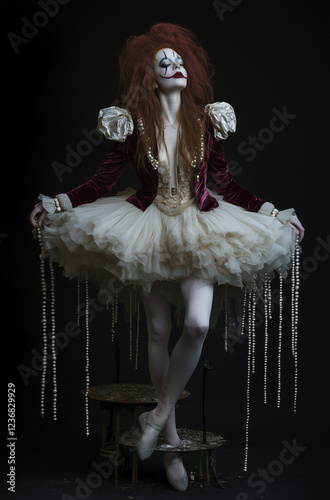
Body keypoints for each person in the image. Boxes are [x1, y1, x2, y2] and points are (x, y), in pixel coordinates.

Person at [28, 23, 304, 492]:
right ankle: (171, 441)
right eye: (164, 63)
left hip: (200, 226)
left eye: (179, 60)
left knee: (196, 323)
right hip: (147, 226)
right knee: (158, 329)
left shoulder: (207, 121)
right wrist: (58, 203)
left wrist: (275, 211)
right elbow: (100, 182)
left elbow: (226, 183)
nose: (175, 65)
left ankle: (155, 418)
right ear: (150, 77)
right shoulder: (132, 123)